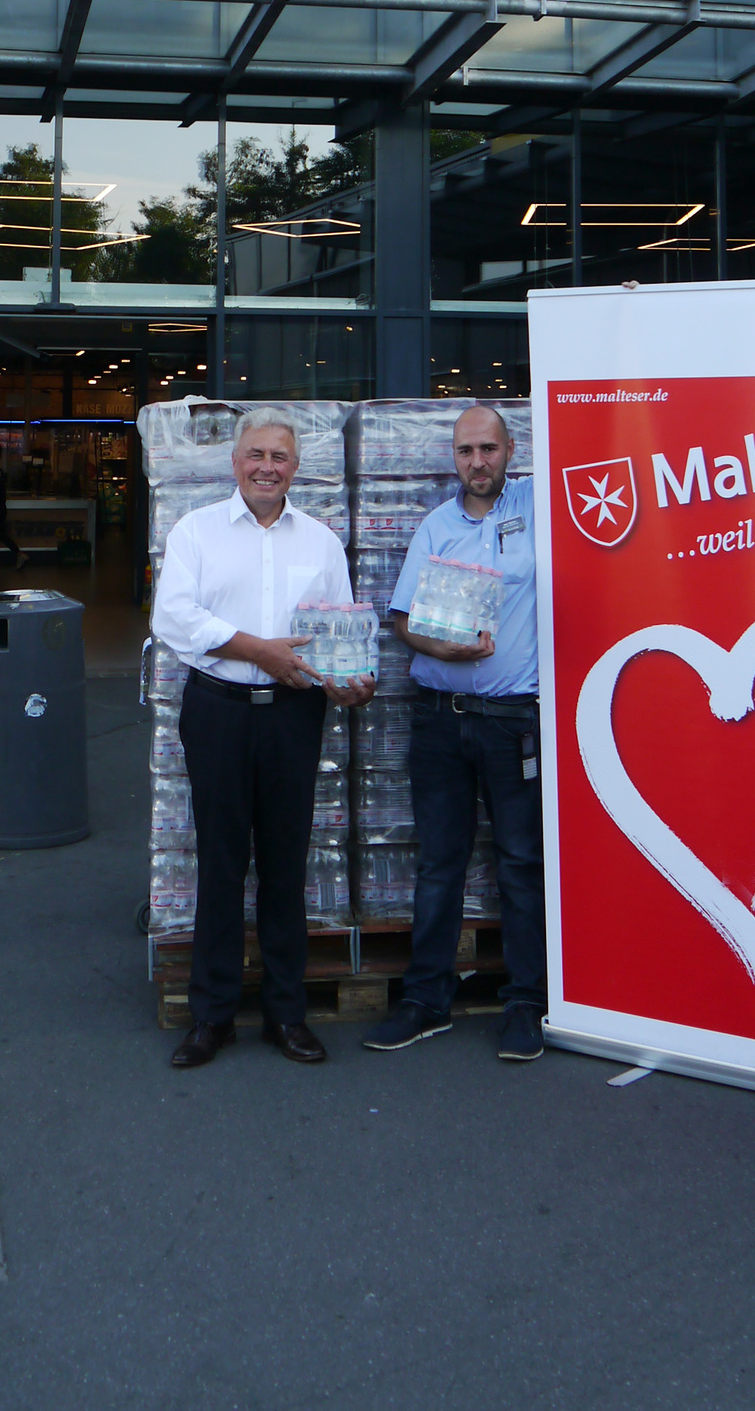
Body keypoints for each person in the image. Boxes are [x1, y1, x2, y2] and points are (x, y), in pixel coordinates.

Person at [153, 408, 373, 1070]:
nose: (266, 467)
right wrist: (257, 650)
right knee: (219, 861)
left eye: (279, 456)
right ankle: (211, 1016)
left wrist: (348, 678)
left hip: (292, 714)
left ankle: (286, 1013)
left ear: (295, 467)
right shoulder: (196, 532)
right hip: (216, 709)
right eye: (255, 454)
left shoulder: (321, 542)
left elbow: (339, 629)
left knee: (285, 863)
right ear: (235, 462)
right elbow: (174, 617)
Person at [362, 404, 544, 1062]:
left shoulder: (539, 505)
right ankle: (425, 1000)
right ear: (453, 457)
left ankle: (527, 1003)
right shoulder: (438, 525)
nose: (477, 462)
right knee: (438, 863)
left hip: (512, 722)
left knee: (521, 865)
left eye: (488, 449)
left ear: (509, 449)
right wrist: (441, 650)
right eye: (466, 451)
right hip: (440, 720)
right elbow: (403, 619)